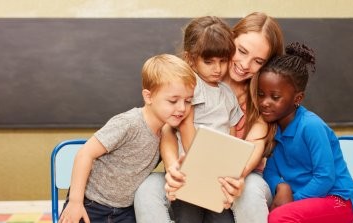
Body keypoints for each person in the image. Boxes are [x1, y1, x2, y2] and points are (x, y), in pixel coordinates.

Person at [157, 12, 284, 223]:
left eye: (258, 61)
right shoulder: (191, 84)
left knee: (241, 198)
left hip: (231, 176)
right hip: (189, 168)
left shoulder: (260, 99)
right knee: (149, 191)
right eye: (241, 51)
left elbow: (249, 146)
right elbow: (169, 129)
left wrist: (234, 175)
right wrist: (174, 167)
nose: (244, 64)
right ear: (228, 40)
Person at [58, 54, 196, 223]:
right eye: (173, 101)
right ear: (148, 96)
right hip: (91, 204)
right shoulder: (128, 123)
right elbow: (84, 154)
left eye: (188, 101)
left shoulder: (167, 134)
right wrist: (75, 202)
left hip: (125, 212)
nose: (182, 108)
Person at [135, 15, 242, 223]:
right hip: (191, 172)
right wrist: (201, 166)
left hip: (216, 175)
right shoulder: (192, 87)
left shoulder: (227, 93)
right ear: (191, 59)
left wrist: (227, 166)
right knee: (188, 218)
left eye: (223, 61)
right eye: (208, 62)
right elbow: (186, 131)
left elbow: (231, 130)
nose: (217, 69)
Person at [250, 42, 353, 222]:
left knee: (279, 216)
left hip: (338, 201)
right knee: (268, 213)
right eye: (261, 94)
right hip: (306, 200)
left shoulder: (311, 126)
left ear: (297, 98)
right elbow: (270, 171)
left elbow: (325, 177)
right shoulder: (273, 127)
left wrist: (292, 200)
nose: (264, 102)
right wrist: (282, 186)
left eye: (275, 97)